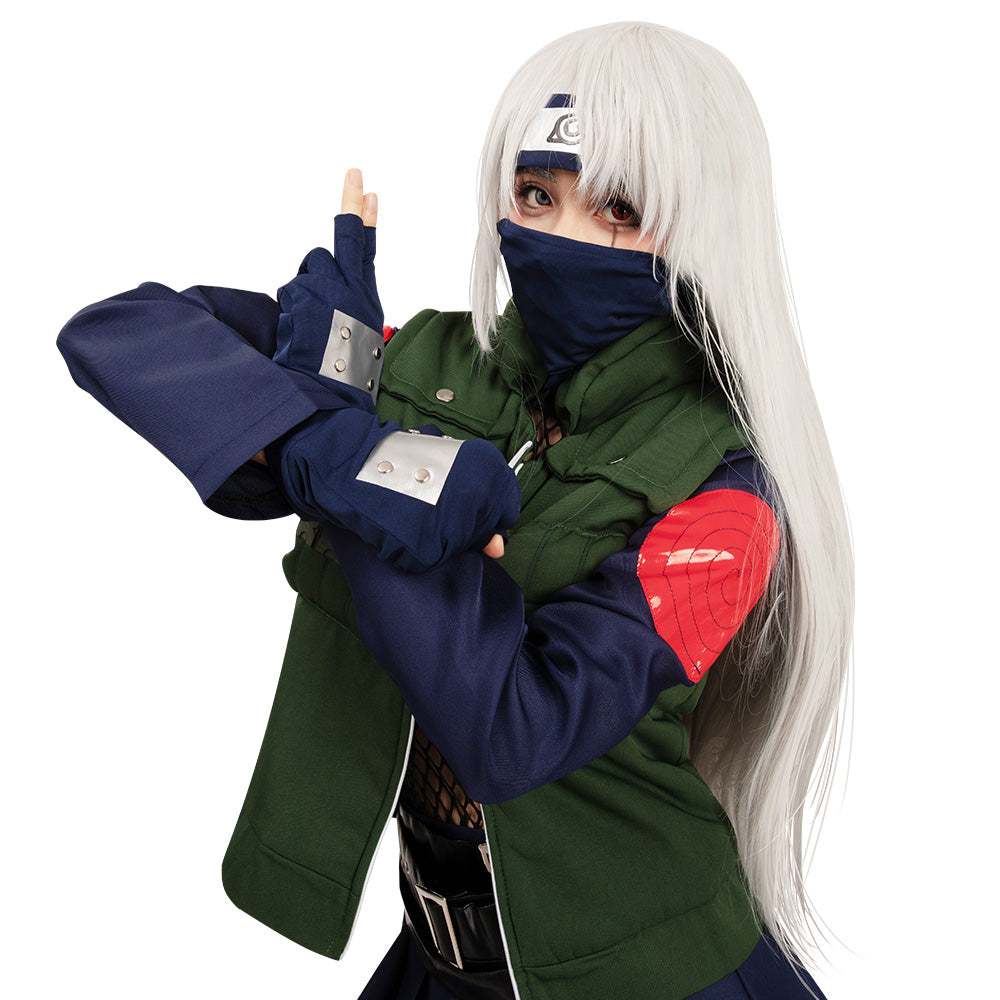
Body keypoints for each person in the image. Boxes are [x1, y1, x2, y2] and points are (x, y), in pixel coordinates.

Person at [57, 21, 852, 1000]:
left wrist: (350, 459)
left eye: (620, 207)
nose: (561, 238)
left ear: (704, 225)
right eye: (536, 195)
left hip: (649, 975)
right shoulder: (419, 364)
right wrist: (330, 437)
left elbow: (514, 730)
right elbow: (123, 330)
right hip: (437, 963)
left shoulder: (731, 502)